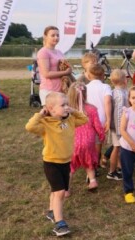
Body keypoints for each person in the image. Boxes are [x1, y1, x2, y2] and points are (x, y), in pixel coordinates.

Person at [25, 92, 88, 236]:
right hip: (51, 162)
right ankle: (59, 224)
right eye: (63, 105)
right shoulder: (46, 124)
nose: (67, 107)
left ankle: (52, 211)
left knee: (56, 190)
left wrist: (74, 111)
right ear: (51, 109)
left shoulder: (70, 120)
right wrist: (41, 114)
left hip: (66, 162)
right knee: (60, 192)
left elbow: (84, 120)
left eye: (67, 104)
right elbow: (29, 127)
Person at [67, 82, 105, 194]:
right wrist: (102, 136)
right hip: (88, 141)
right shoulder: (92, 109)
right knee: (89, 162)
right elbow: (97, 125)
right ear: (85, 94)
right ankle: (92, 181)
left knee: (70, 166)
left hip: (73, 142)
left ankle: (66, 189)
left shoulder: (67, 110)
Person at [86, 64, 112, 171]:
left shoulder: (85, 87)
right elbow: (108, 102)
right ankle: (95, 163)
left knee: (89, 141)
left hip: (87, 118)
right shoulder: (106, 87)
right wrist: (108, 119)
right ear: (103, 76)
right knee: (97, 142)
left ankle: (89, 163)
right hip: (101, 118)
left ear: (88, 75)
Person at [37, 26, 72, 105]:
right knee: (51, 116)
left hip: (61, 89)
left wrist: (68, 68)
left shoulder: (59, 52)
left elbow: (63, 66)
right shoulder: (43, 52)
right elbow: (46, 74)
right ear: (45, 37)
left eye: (57, 35)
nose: (56, 37)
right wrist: (65, 72)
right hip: (49, 90)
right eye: (52, 35)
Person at [107, 69, 128, 180]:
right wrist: (121, 129)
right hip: (118, 126)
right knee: (117, 147)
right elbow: (119, 112)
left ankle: (120, 167)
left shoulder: (118, 91)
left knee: (119, 147)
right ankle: (111, 171)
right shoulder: (119, 94)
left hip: (118, 126)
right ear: (124, 80)